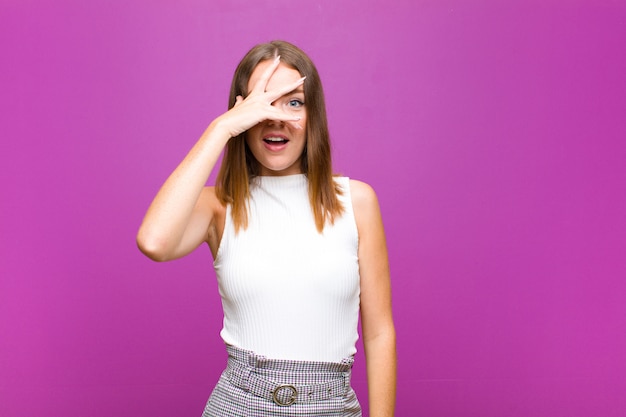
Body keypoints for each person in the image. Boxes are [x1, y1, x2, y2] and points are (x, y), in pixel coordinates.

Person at [137, 40, 396, 417]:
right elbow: (154, 241)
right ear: (242, 111)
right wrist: (221, 128)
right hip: (238, 403)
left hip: (331, 405)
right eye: (264, 101)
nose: (277, 118)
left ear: (313, 115)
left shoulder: (356, 201)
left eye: (294, 102)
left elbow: (379, 333)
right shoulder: (219, 205)